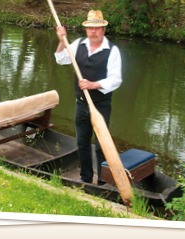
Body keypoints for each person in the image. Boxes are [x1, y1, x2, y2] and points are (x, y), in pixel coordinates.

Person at [53, 10, 123, 185]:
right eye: (90, 28)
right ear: (86, 30)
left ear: (103, 30)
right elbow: (61, 59)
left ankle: (101, 181)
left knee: (101, 147)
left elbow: (116, 79)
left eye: (97, 28)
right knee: (82, 143)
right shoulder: (78, 45)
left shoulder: (112, 51)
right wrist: (62, 40)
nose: (93, 31)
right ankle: (85, 178)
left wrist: (93, 85)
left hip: (101, 106)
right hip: (82, 104)